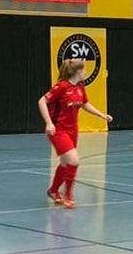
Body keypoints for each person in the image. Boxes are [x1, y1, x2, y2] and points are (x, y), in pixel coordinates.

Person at [38, 58, 113, 208]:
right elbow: (41, 101)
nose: (85, 72)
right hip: (58, 130)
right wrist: (49, 122)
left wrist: (102, 115)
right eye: (84, 69)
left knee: (65, 163)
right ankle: (68, 195)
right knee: (74, 161)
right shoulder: (61, 87)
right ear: (77, 72)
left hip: (73, 130)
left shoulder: (80, 87)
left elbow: (85, 104)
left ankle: (53, 191)